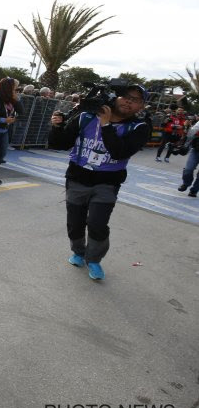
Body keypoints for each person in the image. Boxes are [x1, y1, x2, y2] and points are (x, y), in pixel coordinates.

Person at [48, 84, 149, 280]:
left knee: (97, 223)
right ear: (116, 97)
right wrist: (57, 126)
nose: (128, 101)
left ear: (141, 106)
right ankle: (78, 252)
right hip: (77, 178)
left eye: (135, 99)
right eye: (126, 96)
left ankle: (93, 259)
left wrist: (106, 124)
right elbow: (59, 143)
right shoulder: (86, 117)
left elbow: (119, 152)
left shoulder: (139, 127)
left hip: (108, 183)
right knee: (75, 223)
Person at [178, 119, 199, 197]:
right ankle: (186, 184)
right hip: (196, 150)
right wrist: (187, 127)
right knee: (188, 169)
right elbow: (190, 133)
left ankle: (194, 190)